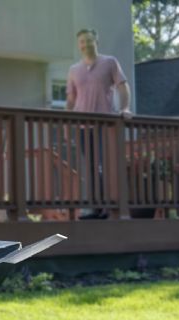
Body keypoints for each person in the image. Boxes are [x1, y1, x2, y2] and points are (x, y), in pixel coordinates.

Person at [66, 28, 131, 219]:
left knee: (103, 165)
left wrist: (125, 108)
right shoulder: (74, 70)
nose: (85, 44)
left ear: (96, 41)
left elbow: (123, 86)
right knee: (91, 167)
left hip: (105, 124)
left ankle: (104, 207)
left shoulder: (109, 62)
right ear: (79, 45)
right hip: (82, 126)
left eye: (88, 40)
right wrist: (65, 121)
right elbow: (71, 99)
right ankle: (96, 207)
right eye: (82, 42)